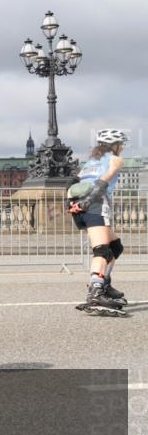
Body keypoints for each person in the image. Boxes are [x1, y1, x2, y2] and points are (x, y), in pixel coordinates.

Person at [69, 128, 129, 316]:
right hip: (95, 203)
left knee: (115, 247)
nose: (123, 147)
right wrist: (88, 202)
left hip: (78, 203)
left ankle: (104, 285)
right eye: (121, 144)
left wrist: (73, 204)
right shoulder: (114, 159)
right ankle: (95, 292)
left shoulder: (90, 162)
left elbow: (71, 183)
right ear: (115, 145)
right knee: (102, 250)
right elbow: (105, 180)